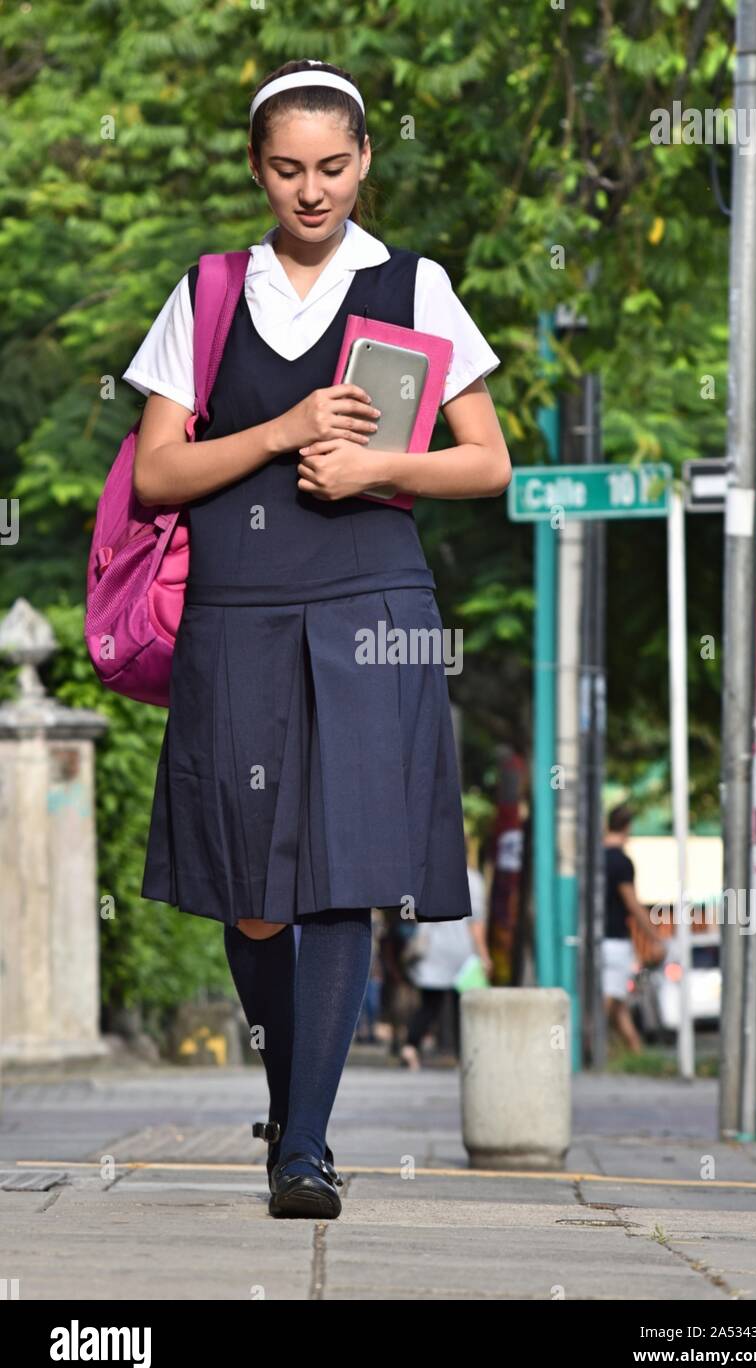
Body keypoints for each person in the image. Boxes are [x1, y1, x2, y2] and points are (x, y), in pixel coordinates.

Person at [122, 59, 510, 1219]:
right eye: (287, 169)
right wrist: (282, 427)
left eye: (332, 167)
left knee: (344, 878)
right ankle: (293, 1104)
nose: (311, 191)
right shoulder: (204, 290)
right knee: (254, 890)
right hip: (235, 611)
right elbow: (154, 471)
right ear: (256, 169)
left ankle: (304, 1144)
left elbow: (486, 460)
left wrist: (378, 463)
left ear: (363, 162)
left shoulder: (412, 284)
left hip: (369, 607)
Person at [400, 862, 491, 1068]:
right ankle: (464, 1055)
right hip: (461, 952)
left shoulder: (428, 876)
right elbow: (476, 923)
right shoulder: (473, 880)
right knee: (463, 1006)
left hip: (433, 951)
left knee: (429, 1006)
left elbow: (414, 914)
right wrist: (484, 955)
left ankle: (410, 1047)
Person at [602, 802, 666, 1054]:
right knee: (609, 1001)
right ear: (628, 827)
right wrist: (655, 937)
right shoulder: (621, 862)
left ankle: (636, 1050)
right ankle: (590, 1051)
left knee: (618, 1004)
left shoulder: (595, 858)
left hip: (595, 938)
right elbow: (632, 903)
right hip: (615, 940)